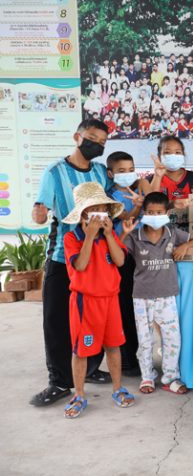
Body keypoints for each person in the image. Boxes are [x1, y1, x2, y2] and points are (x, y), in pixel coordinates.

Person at [30, 119, 113, 407]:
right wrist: (39, 213)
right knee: (57, 321)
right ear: (77, 136)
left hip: (95, 259)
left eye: (102, 142)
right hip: (62, 258)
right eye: (92, 137)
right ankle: (60, 381)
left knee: (93, 317)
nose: (96, 144)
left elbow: (112, 203)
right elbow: (40, 208)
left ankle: (89, 368)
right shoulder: (55, 172)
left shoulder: (101, 172)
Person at [61, 182, 135, 418]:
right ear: (83, 213)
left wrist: (108, 234)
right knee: (81, 351)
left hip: (110, 299)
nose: (99, 213)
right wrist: (90, 236)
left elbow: (120, 261)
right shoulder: (72, 237)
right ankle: (79, 394)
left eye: (103, 209)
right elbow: (81, 265)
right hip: (85, 302)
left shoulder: (109, 235)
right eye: (94, 209)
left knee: (113, 345)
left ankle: (118, 388)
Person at [120, 192, 193, 395]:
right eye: (150, 212)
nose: (155, 216)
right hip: (142, 296)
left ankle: (171, 377)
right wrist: (124, 233)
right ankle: (147, 377)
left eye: (159, 212)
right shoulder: (135, 236)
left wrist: (185, 245)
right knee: (145, 340)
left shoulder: (172, 233)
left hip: (167, 295)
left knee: (172, 339)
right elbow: (118, 254)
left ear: (167, 213)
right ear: (144, 213)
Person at [105, 151, 157, 376]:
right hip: (123, 255)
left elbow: (154, 200)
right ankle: (127, 359)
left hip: (142, 254)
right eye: (121, 171)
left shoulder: (139, 189)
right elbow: (126, 218)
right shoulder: (110, 196)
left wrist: (156, 177)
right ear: (111, 173)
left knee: (143, 309)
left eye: (131, 169)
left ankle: (143, 356)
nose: (127, 174)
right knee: (125, 307)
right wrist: (137, 206)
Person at [150, 135, 193, 230]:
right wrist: (158, 176)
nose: (173, 156)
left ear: (183, 155)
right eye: (167, 152)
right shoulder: (152, 180)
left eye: (178, 152)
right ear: (159, 156)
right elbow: (150, 206)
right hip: (161, 233)